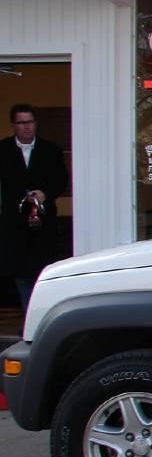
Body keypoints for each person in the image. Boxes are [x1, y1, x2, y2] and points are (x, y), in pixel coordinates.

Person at [0, 104, 69, 310]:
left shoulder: (51, 150)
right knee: (20, 273)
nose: (27, 127)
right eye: (21, 123)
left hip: (43, 223)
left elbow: (61, 179)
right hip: (14, 223)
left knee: (42, 272)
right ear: (14, 125)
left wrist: (45, 194)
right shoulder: (2, 150)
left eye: (30, 122)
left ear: (35, 123)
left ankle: (40, 316)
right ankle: (29, 317)